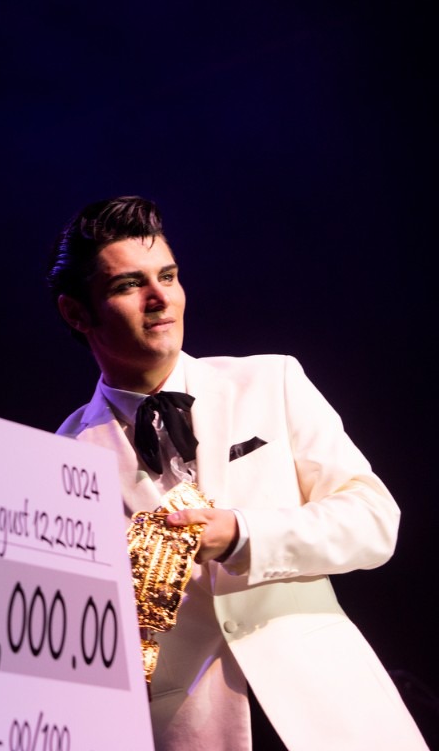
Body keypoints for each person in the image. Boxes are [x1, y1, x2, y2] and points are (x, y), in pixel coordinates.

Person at [45, 196, 425, 750]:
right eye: (129, 285)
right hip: (192, 729)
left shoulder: (272, 381)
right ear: (77, 313)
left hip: (331, 708)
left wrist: (242, 534)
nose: (160, 299)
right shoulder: (62, 454)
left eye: (168, 276)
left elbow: (374, 522)